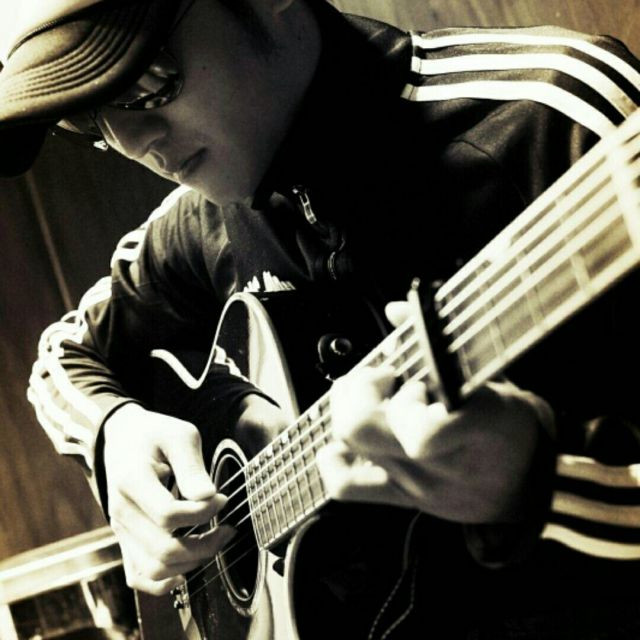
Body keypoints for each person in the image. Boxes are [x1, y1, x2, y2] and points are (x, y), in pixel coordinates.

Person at [2, 0, 640, 636]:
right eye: (86, 120)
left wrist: (538, 485)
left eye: (146, 81)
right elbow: (62, 358)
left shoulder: (559, 116)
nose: (130, 143)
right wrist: (112, 434)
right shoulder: (197, 224)